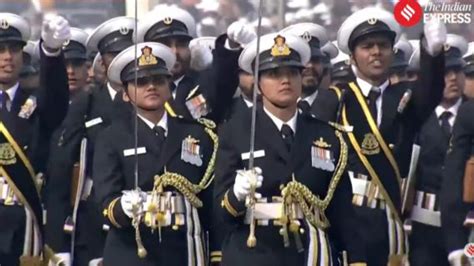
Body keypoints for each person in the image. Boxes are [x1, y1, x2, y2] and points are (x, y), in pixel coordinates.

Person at [213, 32, 366, 266]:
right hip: (254, 253)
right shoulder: (236, 132)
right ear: (258, 82)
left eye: (292, 73)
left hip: (310, 253)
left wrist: (357, 260)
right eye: (274, 74)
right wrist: (237, 195)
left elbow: (342, 211)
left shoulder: (326, 135)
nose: (285, 80)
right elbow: (221, 214)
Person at [312, 7, 447, 265]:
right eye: (367, 46)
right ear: (352, 56)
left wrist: (433, 52)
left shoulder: (405, 96)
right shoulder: (336, 99)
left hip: (389, 219)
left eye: (383, 45)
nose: (376, 52)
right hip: (348, 215)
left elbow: (430, 91)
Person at [93, 42, 217, 266]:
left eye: (159, 80)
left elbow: (209, 202)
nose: (151, 87)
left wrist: (216, 254)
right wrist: (123, 207)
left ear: (169, 87)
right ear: (125, 94)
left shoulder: (197, 133)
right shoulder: (112, 138)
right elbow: (105, 200)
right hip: (134, 249)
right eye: (141, 82)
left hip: (185, 249)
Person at [0, 12, 69, 265]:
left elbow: (57, 98)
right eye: (0, 49)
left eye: (14, 49)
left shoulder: (36, 102)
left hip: (23, 223)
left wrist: (51, 51)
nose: (8, 56)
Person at [409, 34, 467, 266]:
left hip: (467, 225)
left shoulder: (471, 113)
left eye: (457, 71)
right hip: (424, 225)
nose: (452, 78)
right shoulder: (416, 117)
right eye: (445, 72)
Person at [136, 6, 250, 123]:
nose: (175, 51)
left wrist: (231, 45)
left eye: (181, 44)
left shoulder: (204, 83)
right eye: (165, 44)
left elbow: (222, 79)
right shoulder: (137, 89)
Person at [280, 22, 333, 115]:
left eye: (315, 60)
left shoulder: (340, 105)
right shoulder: (270, 109)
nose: (310, 66)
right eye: (304, 60)